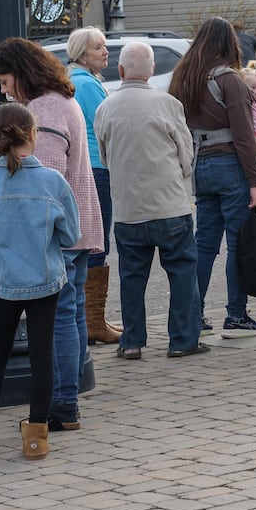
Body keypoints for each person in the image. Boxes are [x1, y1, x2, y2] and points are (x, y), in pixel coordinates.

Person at [0, 37, 102, 432]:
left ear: (22, 72)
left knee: (60, 318)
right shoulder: (59, 99)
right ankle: (70, 393)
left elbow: (44, 179)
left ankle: (62, 403)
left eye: (5, 81)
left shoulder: (45, 109)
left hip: (59, 234)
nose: (4, 90)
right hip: (78, 225)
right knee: (71, 312)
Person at [0, 103, 80, 461]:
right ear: (33, 134)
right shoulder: (53, 182)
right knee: (42, 354)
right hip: (44, 277)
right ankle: (36, 436)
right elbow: (70, 234)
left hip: (4, 280)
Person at [93, 42, 204, 361]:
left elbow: (104, 156)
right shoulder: (168, 104)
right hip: (169, 205)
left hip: (128, 209)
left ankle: (132, 341)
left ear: (122, 71)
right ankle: (182, 339)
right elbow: (186, 153)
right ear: (152, 70)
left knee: (131, 277)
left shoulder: (106, 108)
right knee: (182, 272)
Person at [168, 18, 256, 335]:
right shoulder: (230, 80)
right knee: (238, 242)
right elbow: (243, 135)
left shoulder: (184, 78)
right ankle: (236, 316)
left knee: (204, 244)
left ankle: (193, 314)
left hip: (200, 165)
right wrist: (255, 181)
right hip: (229, 165)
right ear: (230, 45)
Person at [65, 27, 119, 346]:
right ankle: (92, 321)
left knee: (90, 240)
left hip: (89, 165)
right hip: (97, 166)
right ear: (82, 53)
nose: (105, 51)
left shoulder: (80, 80)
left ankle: (92, 318)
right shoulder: (87, 84)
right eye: (99, 47)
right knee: (97, 240)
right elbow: (106, 126)